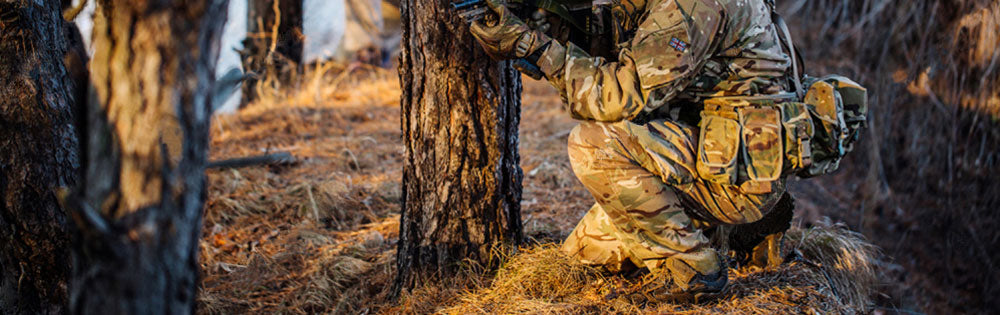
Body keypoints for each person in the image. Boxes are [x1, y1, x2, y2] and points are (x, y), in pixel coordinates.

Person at [469, 0, 808, 299]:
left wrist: (536, 48)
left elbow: (616, 98)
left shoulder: (695, 6)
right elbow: (621, 29)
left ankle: (696, 268)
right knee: (585, 254)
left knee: (593, 144)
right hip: (723, 156)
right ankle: (740, 230)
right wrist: (545, 17)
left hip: (732, 175)